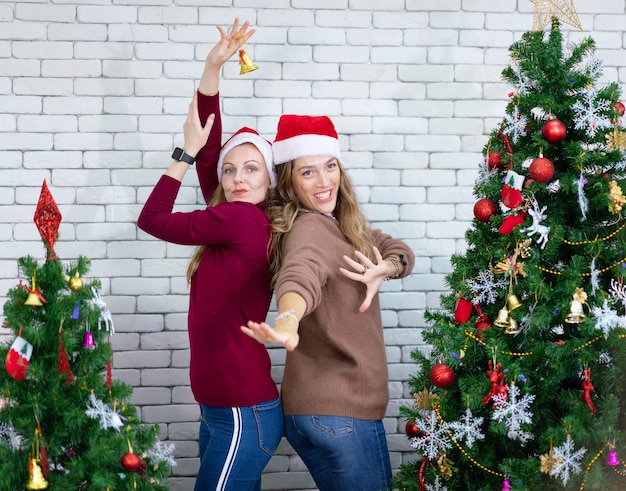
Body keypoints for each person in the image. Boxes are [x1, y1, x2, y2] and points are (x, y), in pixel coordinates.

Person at [137, 19, 283, 491]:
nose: (239, 177)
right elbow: (211, 153)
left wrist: (183, 153)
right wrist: (211, 69)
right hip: (226, 410)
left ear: (269, 183)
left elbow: (153, 218)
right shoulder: (236, 215)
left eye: (252, 169)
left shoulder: (241, 219)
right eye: (232, 170)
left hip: (242, 413)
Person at [242, 114, 415, 491]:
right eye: (308, 173)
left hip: (322, 411)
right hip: (339, 413)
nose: (324, 182)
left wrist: (384, 268)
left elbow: (398, 249)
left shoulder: (340, 226)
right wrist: (288, 318)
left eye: (330, 166)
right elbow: (299, 277)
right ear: (289, 182)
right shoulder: (310, 230)